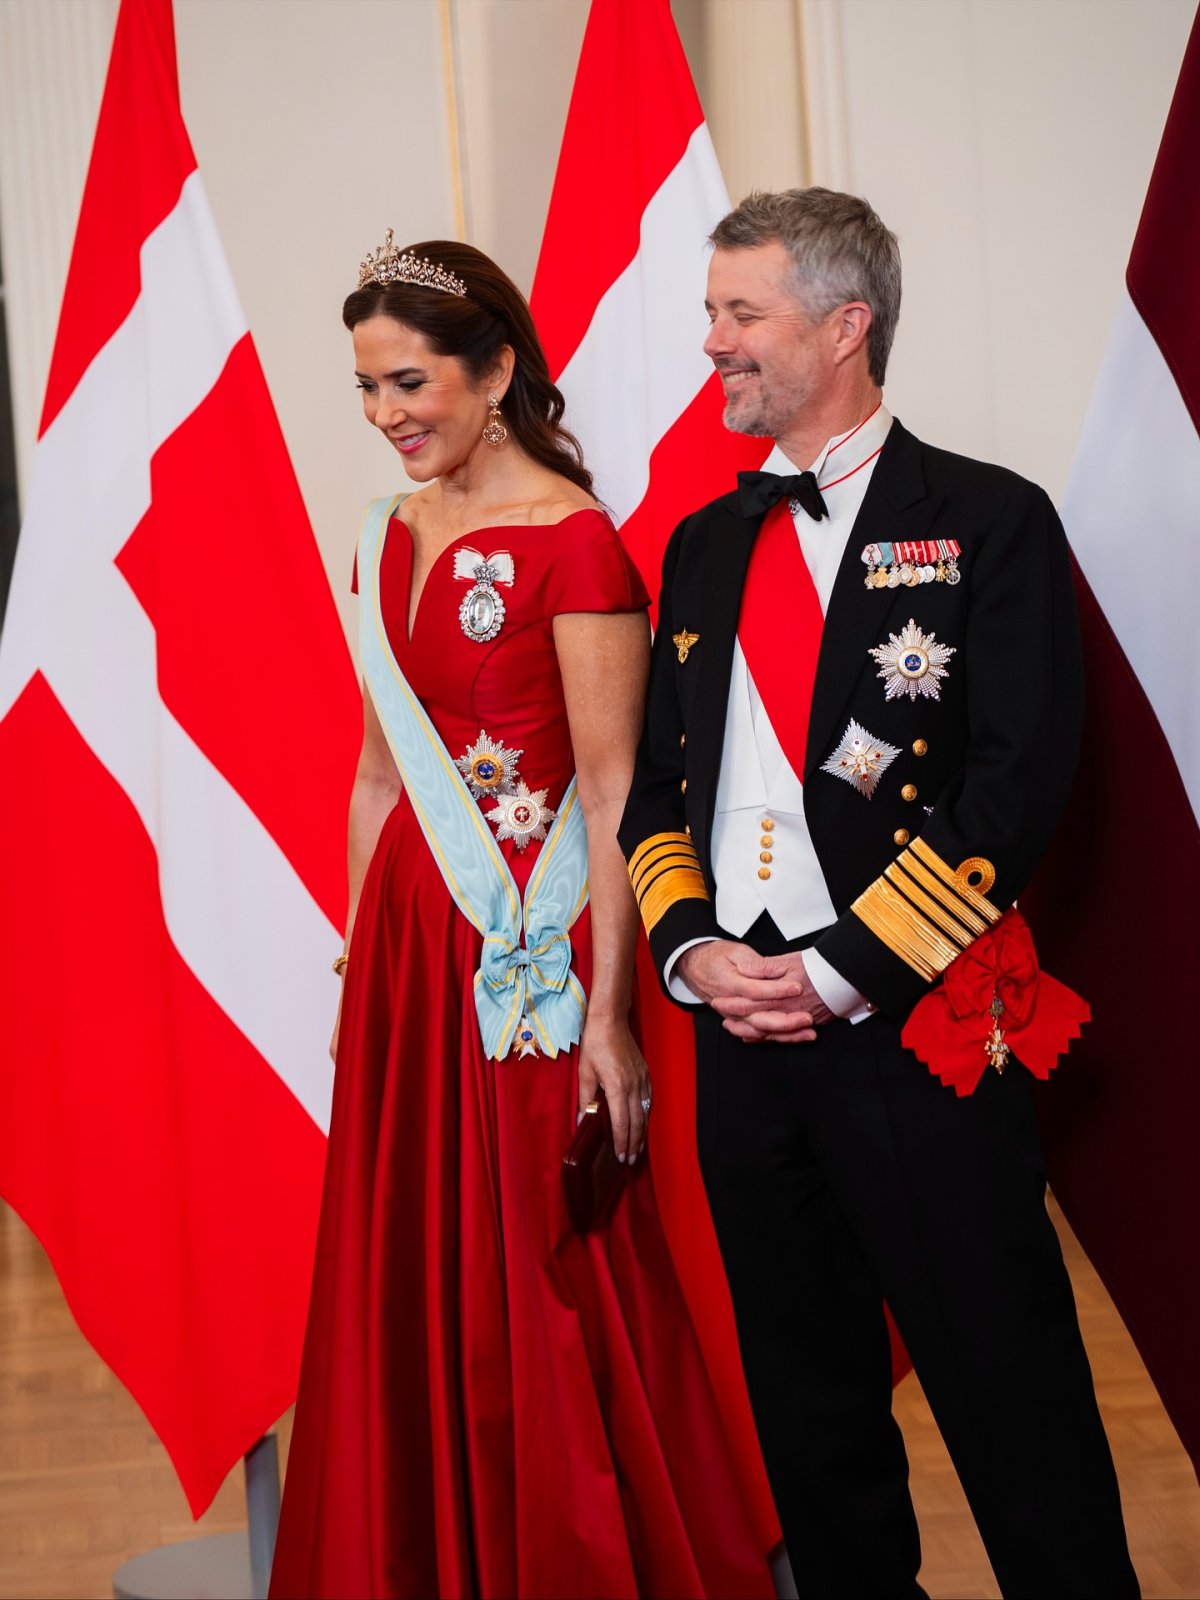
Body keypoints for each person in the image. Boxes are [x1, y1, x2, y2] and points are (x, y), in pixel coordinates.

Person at [619, 187, 1140, 1599]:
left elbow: (1019, 786)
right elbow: (662, 793)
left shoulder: (988, 521)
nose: (711, 341)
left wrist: (845, 964)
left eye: (742, 314)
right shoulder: (700, 547)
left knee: (1011, 1400)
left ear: (843, 326)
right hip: (742, 1042)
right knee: (809, 1408)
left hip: (913, 1033)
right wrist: (689, 950)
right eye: (714, 311)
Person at [269, 234, 773, 1600]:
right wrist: (357, 971)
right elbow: (381, 772)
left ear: (496, 370)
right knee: (413, 1266)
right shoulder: (377, 535)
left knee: (552, 1264)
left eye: (412, 381)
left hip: (538, 966)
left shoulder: (575, 543)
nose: (387, 416)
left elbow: (616, 794)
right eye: (368, 388)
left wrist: (611, 1015)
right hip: (409, 959)